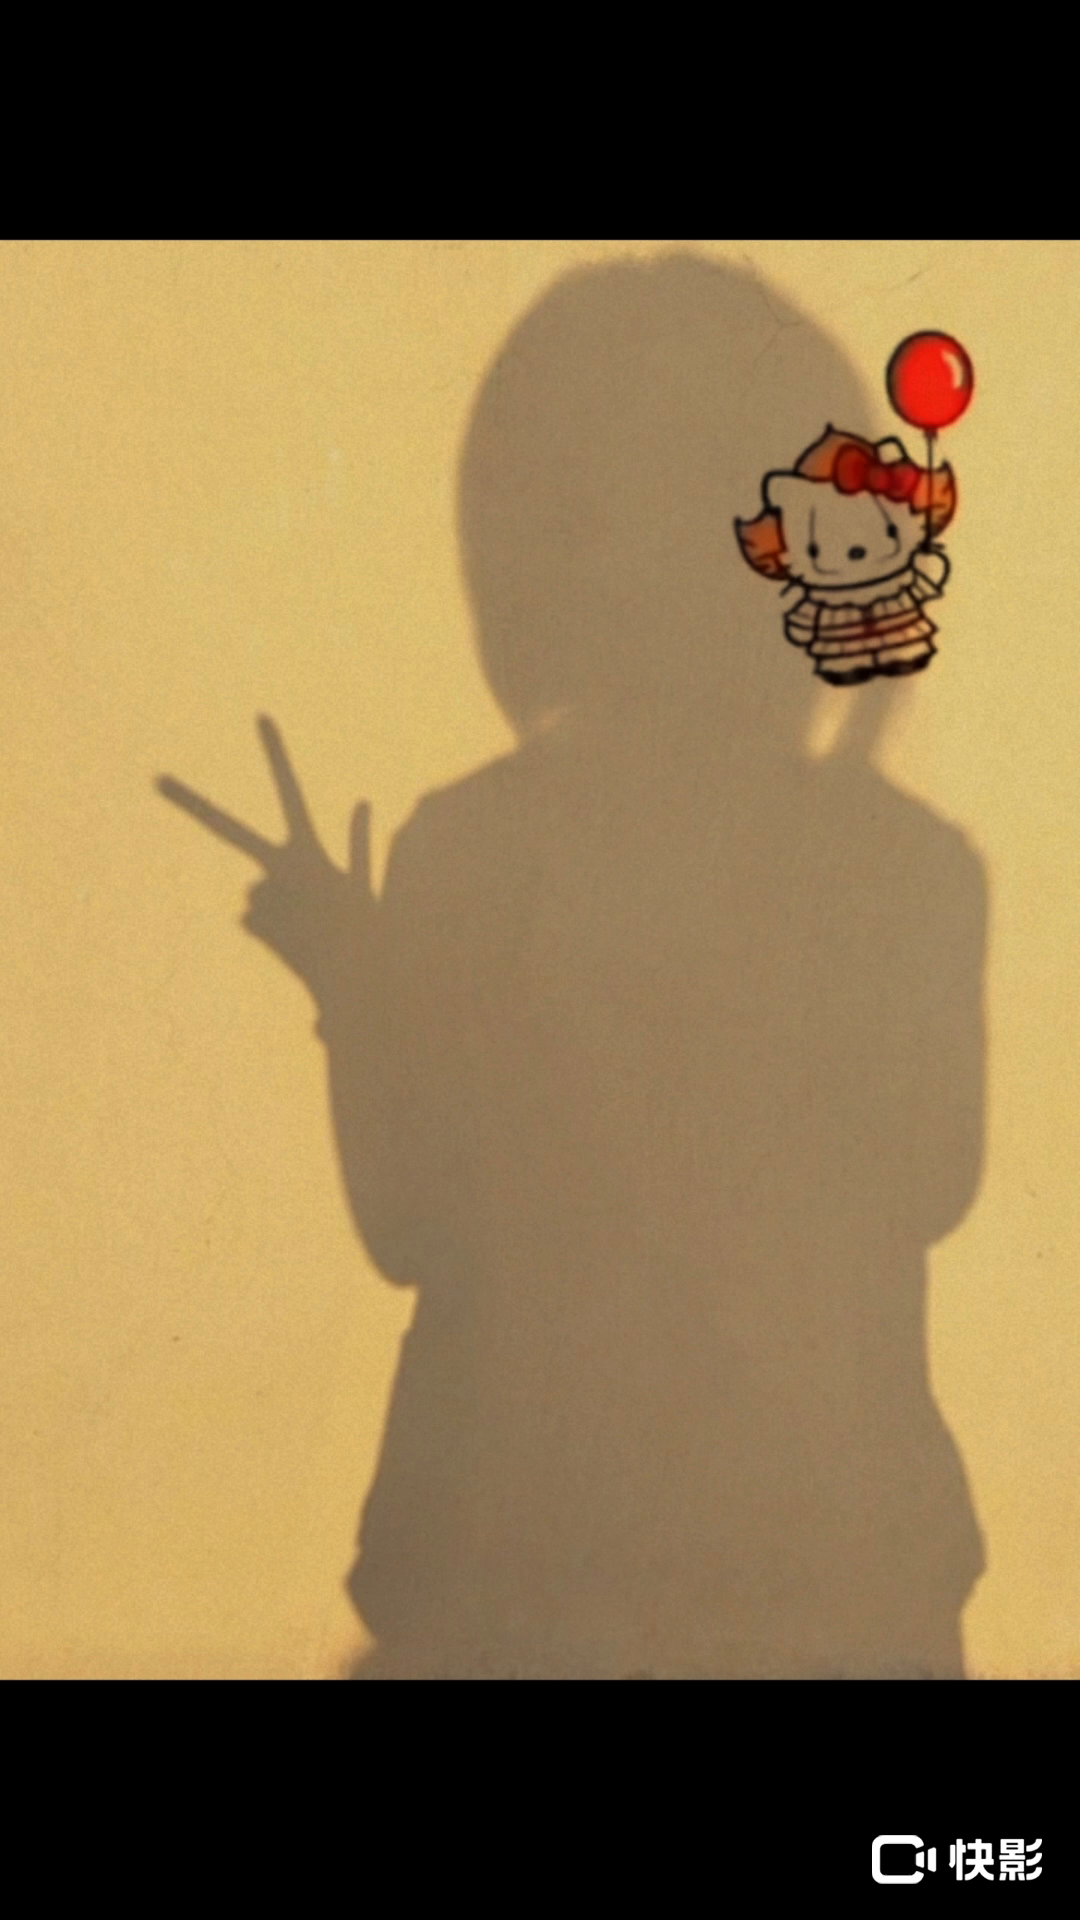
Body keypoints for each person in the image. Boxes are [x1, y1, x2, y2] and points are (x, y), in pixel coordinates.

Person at [736, 425, 955, 683]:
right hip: (838, 636)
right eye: (816, 548)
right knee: (845, 656)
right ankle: (846, 664)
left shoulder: (896, 579)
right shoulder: (828, 595)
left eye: (889, 531)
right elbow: (804, 621)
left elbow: (926, 584)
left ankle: (904, 654)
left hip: (898, 626)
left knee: (903, 641)